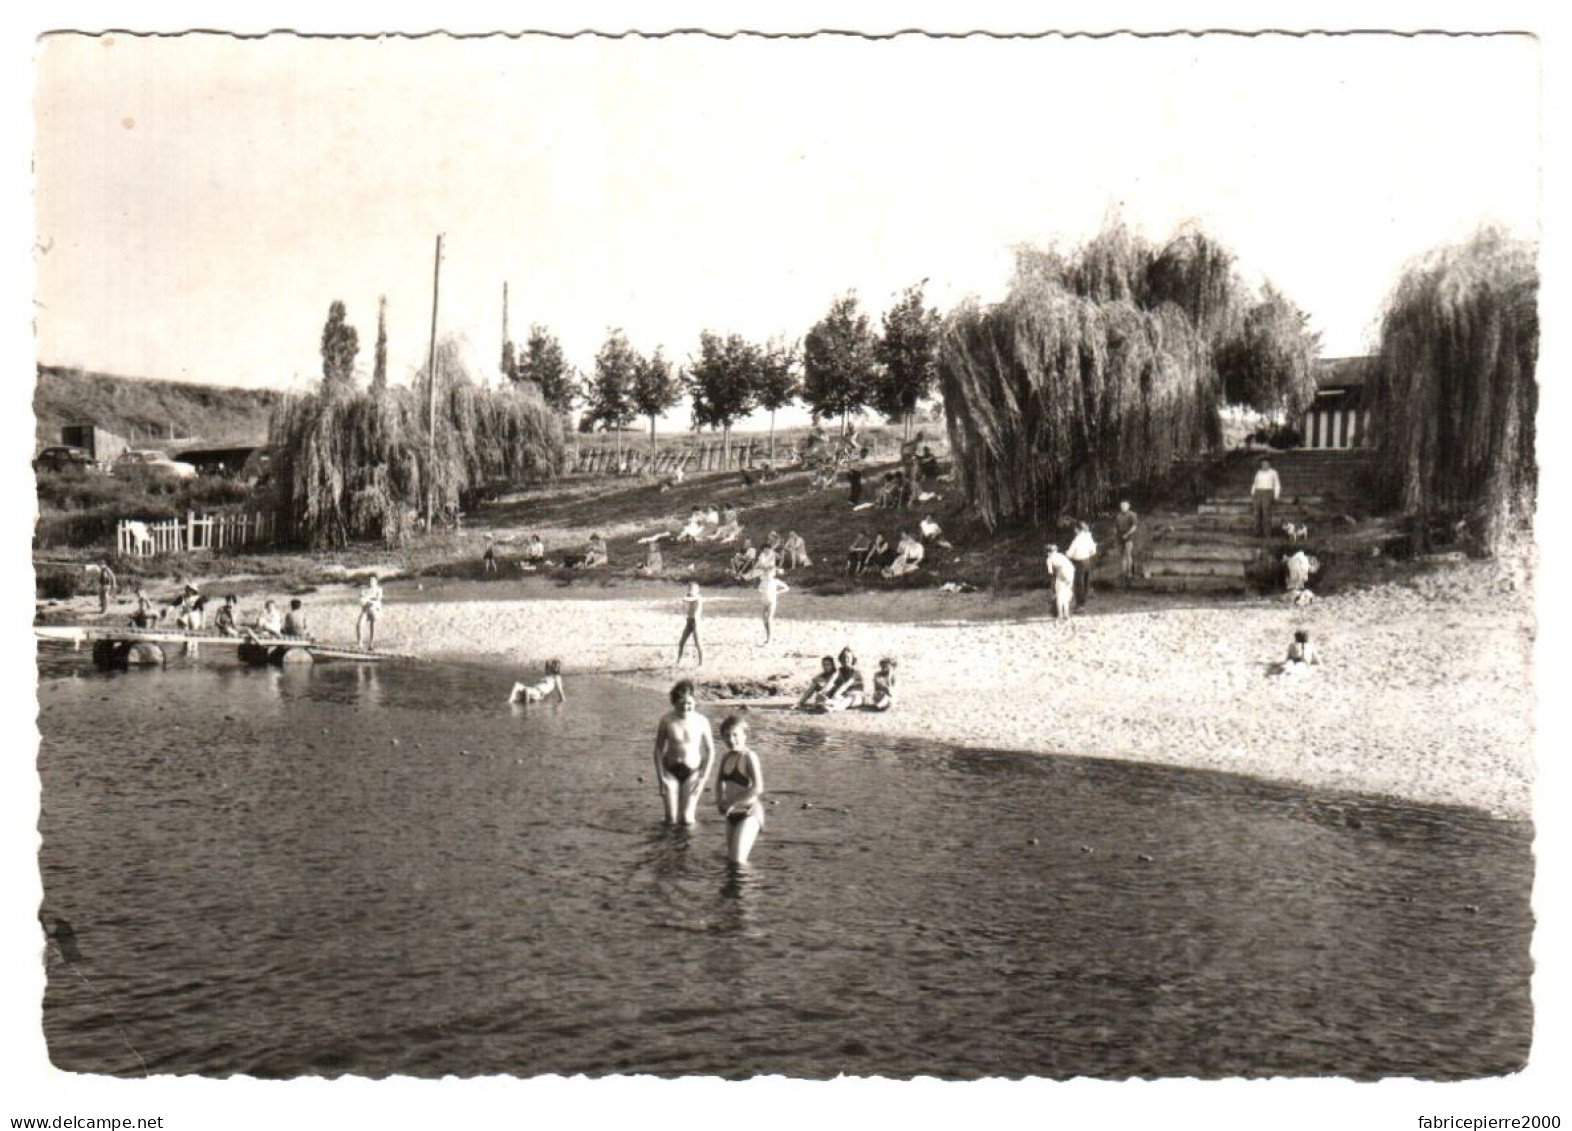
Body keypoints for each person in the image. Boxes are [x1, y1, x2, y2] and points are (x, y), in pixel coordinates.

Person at [652, 680, 714, 826]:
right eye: (681, 703)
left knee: (687, 818)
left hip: (693, 772)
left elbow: (710, 750)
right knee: (671, 819)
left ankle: (691, 847)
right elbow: (658, 750)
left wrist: (703, 778)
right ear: (674, 702)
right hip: (670, 771)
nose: (685, 707)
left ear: (695, 701)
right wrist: (661, 778)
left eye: (689, 703)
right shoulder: (667, 720)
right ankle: (668, 848)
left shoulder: (701, 721)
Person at [715, 715, 766, 866]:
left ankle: (755, 886)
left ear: (745, 735)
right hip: (732, 815)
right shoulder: (725, 757)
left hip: (749, 812)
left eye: (735, 735)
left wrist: (732, 803)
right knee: (731, 861)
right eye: (726, 736)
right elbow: (718, 781)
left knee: (738, 861)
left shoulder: (749, 756)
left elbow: (758, 787)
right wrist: (719, 801)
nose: (731, 739)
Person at [821, 647, 866, 712]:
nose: (846, 660)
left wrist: (836, 695)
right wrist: (823, 692)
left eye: (848, 658)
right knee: (837, 700)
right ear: (841, 659)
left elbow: (846, 685)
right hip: (844, 695)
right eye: (844, 657)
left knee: (846, 700)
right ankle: (825, 703)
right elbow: (831, 681)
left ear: (852, 659)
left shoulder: (856, 673)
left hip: (857, 697)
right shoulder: (839, 671)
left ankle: (832, 708)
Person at [1066, 521, 1098, 608]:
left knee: (1079, 583)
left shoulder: (1077, 540)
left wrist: (1067, 554)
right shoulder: (1088, 537)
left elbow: (1070, 553)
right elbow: (1093, 551)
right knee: (1086, 581)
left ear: (1077, 530)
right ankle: (1084, 600)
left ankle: (1080, 604)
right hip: (1087, 560)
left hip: (1079, 562)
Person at [1252, 457, 1282, 539]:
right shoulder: (1259, 473)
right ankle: (1256, 533)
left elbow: (1277, 484)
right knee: (1257, 514)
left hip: (1268, 493)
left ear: (1269, 464)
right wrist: (1253, 493)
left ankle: (1267, 534)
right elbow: (1255, 483)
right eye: (1262, 464)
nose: (1264, 465)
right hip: (1258, 493)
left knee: (1266, 514)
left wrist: (1276, 496)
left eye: (1266, 463)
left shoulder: (1273, 473)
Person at [758, 568, 789, 643]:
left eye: (770, 573)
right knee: (764, 620)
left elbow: (787, 588)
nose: (768, 575)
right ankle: (767, 635)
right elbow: (759, 589)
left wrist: (777, 592)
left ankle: (769, 638)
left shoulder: (775, 581)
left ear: (774, 574)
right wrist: (763, 592)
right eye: (767, 573)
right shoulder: (763, 581)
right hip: (764, 601)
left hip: (772, 602)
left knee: (769, 619)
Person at [676, 582, 704, 667]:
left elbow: (690, 600)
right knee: (681, 642)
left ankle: (701, 664)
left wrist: (683, 599)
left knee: (698, 643)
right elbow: (685, 609)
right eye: (689, 589)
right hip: (689, 621)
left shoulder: (698, 598)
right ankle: (678, 661)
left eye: (692, 589)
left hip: (696, 622)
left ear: (697, 590)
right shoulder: (689, 598)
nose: (690, 591)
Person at [1045, 543, 1075, 620]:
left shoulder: (1049, 559)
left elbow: (1051, 573)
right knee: (1066, 593)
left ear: (1048, 552)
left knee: (1059, 595)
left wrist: (1053, 585)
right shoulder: (1061, 555)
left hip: (1062, 573)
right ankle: (1066, 613)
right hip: (1071, 572)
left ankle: (1060, 614)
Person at [1114, 500, 1139, 583]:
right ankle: (1123, 572)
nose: (1123, 507)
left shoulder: (1132, 515)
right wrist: (1116, 534)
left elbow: (1134, 527)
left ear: (1128, 506)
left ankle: (1129, 572)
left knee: (1128, 554)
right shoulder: (1118, 516)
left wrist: (1127, 534)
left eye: (1125, 506)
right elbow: (1116, 527)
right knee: (1122, 555)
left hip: (1129, 537)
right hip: (1120, 537)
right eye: (1121, 506)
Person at [356, 575, 383, 649]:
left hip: (375, 609)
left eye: (373, 581)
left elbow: (378, 599)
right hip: (365, 609)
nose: (371, 582)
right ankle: (360, 643)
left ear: (376, 582)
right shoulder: (364, 590)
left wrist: (368, 599)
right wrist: (367, 600)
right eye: (370, 581)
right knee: (359, 624)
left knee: (373, 625)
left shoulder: (379, 589)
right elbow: (361, 600)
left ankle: (371, 644)